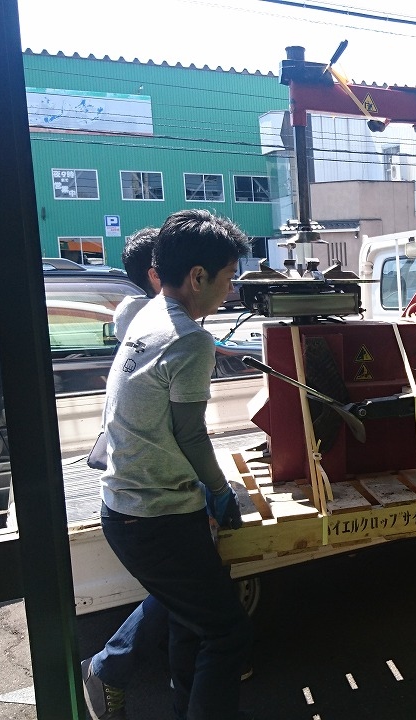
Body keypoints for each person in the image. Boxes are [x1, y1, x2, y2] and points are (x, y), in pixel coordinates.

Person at [85, 209, 252, 720]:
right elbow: (191, 435)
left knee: (189, 623)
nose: (231, 289)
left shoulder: (149, 314)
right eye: (228, 277)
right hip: (156, 517)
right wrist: (220, 491)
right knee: (225, 630)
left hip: (126, 506)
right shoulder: (190, 338)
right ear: (198, 276)